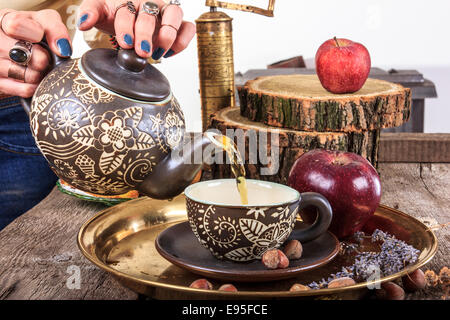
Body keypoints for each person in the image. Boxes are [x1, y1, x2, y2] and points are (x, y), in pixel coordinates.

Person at [0, 0, 195, 230]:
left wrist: (134, 22)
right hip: (59, 114)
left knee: (22, 247)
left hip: (48, 125)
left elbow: (109, 15)